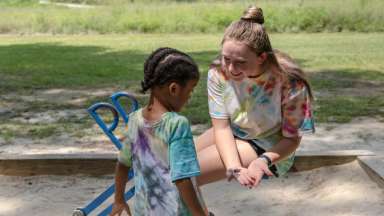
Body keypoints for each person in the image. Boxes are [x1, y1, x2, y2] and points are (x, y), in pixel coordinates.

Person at [195, 6, 315, 188]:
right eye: (226, 59)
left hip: (267, 147)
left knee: (187, 176)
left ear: (261, 58)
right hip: (232, 132)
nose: (231, 69)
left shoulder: (289, 81)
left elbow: (291, 140)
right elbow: (221, 128)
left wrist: (263, 161)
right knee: (175, 164)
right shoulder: (218, 71)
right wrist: (234, 166)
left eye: (240, 62)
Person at [110, 47, 211, 216]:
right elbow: (182, 179)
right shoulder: (177, 125)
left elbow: (122, 164)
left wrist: (119, 200)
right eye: (190, 90)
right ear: (174, 89)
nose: (190, 96)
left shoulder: (134, 120)